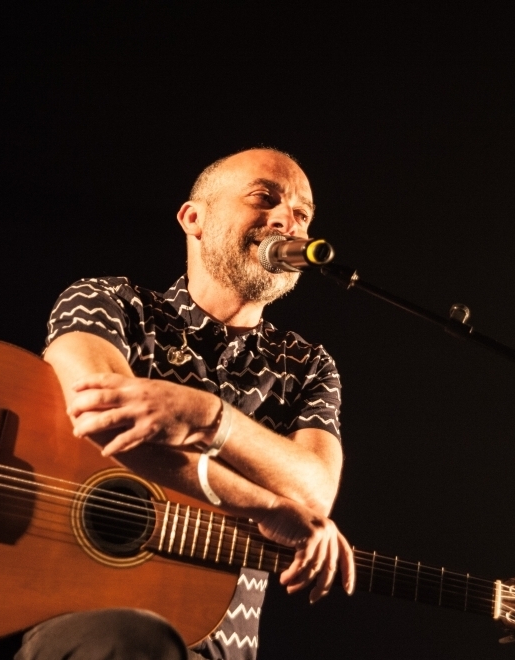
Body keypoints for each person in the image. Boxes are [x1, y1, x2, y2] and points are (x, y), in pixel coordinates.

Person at [21, 148, 355, 660]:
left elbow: (313, 493)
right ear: (193, 219)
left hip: (221, 649)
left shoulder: (307, 366)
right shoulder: (110, 302)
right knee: (137, 641)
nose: (287, 221)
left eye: (302, 214)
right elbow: (101, 415)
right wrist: (264, 505)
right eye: (264, 198)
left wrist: (207, 418)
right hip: (75, 624)